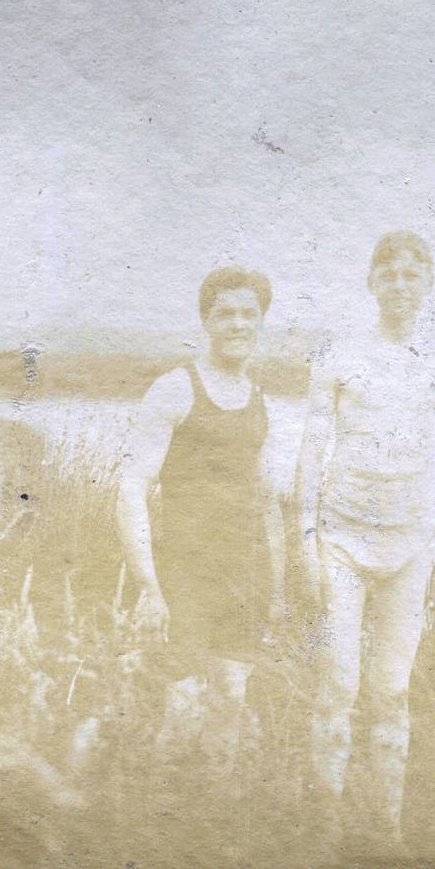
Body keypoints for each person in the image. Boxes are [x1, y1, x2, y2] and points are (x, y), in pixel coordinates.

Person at [297, 230, 435, 857]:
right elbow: (312, 449)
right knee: (338, 681)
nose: (399, 283)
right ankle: (324, 831)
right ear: (371, 283)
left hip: (410, 548)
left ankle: (385, 833)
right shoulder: (339, 357)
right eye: (387, 273)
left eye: (412, 272)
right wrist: (305, 542)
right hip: (340, 541)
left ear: (427, 283)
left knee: (392, 687)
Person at [117, 265, 285, 774]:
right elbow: (132, 490)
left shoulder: (258, 399)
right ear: (206, 322)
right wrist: (149, 586)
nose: (237, 324)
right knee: (183, 710)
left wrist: (277, 591)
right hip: (185, 573)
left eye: (248, 314)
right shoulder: (175, 388)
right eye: (225, 314)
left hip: (244, 573)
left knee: (230, 703)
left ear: (260, 322)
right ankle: (156, 825)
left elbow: (270, 501)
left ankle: (219, 825)